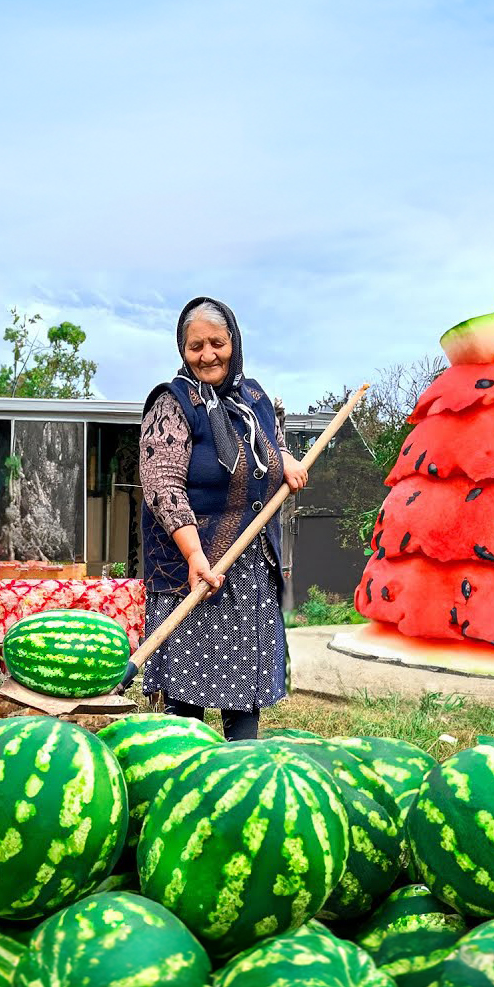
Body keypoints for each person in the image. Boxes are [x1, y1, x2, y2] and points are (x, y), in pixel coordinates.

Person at [139, 296, 308, 740]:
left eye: (217, 342)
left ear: (233, 340)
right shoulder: (173, 402)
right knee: (186, 697)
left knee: (243, 694)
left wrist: (285, 458)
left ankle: (241, 768)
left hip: (249, 569)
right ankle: (182, 773)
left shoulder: (252, 396)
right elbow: (162, 485)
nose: (207, 355)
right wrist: (195, 554)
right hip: (192, 566)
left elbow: (267, 442)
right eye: (195, 346)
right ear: (182, 350)